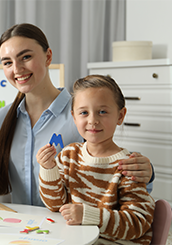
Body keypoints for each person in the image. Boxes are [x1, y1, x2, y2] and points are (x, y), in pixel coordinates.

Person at [0, 23, 154, 206]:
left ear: (48, 56)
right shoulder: (0, 120)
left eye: (25, 57)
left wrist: (146, 171)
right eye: (7, 62)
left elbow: (112, 171)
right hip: (20, 227)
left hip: (70, 228)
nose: (17, 69)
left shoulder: (83, 116)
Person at [37, 75, 155, 244]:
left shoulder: (128, 166)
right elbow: (56, 205)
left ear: (120, 116)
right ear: (74, 117)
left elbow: (137, 223)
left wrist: (88, 215)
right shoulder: (69, 155)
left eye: (102, 112)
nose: (93, 120)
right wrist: (48, 169)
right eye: (84, 112)